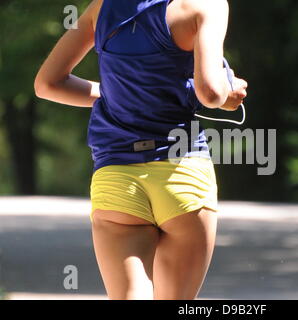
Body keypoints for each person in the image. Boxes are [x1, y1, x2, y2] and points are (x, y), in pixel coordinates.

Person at [34, 0, 248, 300]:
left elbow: (47, 84)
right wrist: (230, 91)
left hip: (117, 176)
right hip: (182, 172)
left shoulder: (101, 8)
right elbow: (210, 92)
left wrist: (118, 95)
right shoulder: (205, 5)